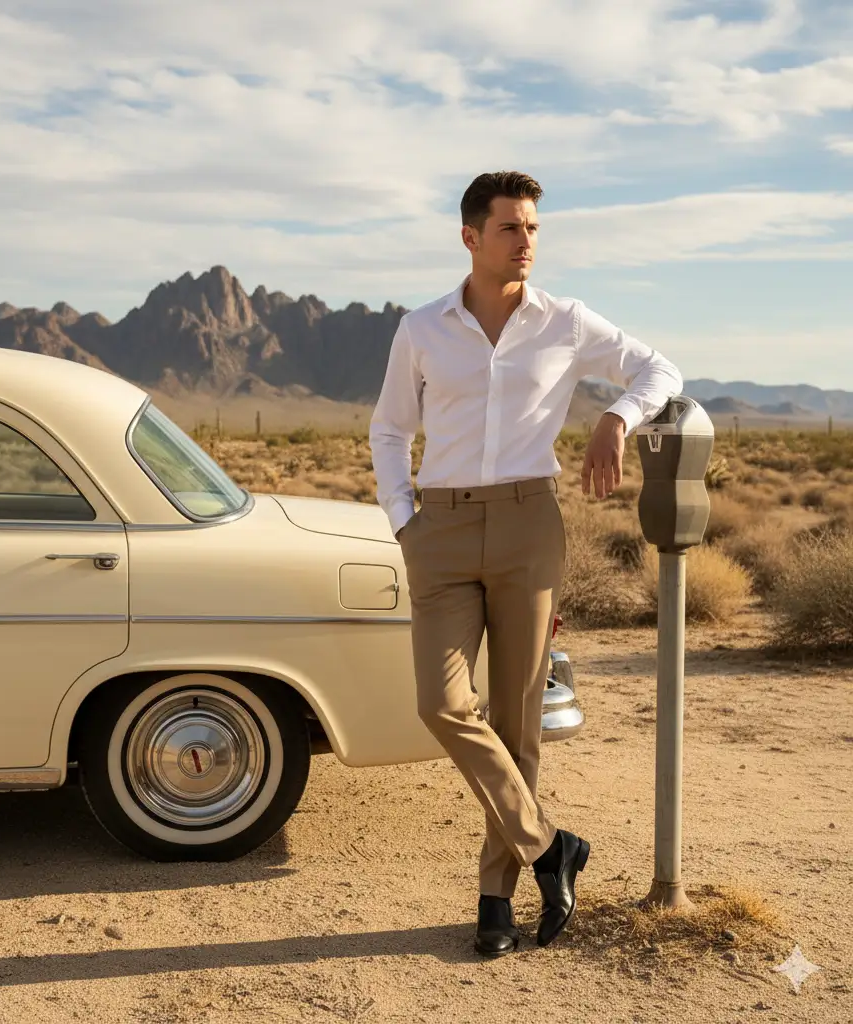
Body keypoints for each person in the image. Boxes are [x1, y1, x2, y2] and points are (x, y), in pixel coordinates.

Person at [369, 171, 683, 956]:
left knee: (516, 724)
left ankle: (495, 900)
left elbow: (660, 371)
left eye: (534, 227)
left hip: (527, 526)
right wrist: (407, 522)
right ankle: (550, 846)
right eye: (511, 227)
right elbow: (387, 431)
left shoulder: (566, 322)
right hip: (438, 528)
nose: (527, 241)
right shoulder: (422, 328)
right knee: (441, 704)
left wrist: (615, 416)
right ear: (471, 237)